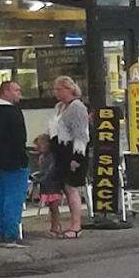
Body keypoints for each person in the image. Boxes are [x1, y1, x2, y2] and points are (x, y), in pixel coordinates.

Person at [0, 80, 30, 248]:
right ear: (6, 92)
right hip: (14, 160)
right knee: (14, 197)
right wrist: (23, 159)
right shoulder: (14, 112)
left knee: (0, 196)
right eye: (16, 90)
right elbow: (19, 138)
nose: (19, 94)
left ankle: (0, 232)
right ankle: (11, 234)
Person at [49, 76, 89, 239]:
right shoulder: (59, 107)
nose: (56, 93)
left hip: (73, 151)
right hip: (59, 150)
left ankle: (76, 224)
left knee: (71, 188)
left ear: (68, 89)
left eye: (59, 89)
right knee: (61, 187)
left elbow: (80, 133)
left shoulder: (77, 107)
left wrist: (76, 157)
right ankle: (56, 224)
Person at [34, 133, 66, 239]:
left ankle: (54, 229)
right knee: (52, 209)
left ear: (47, 145)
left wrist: (39, 178)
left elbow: (48, 172)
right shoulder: (44, 157)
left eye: (39, 145)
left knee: (54, 208)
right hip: (48, 186)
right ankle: (55, 227)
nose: (37, 148)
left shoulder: (51, 157)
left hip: (53, 186)